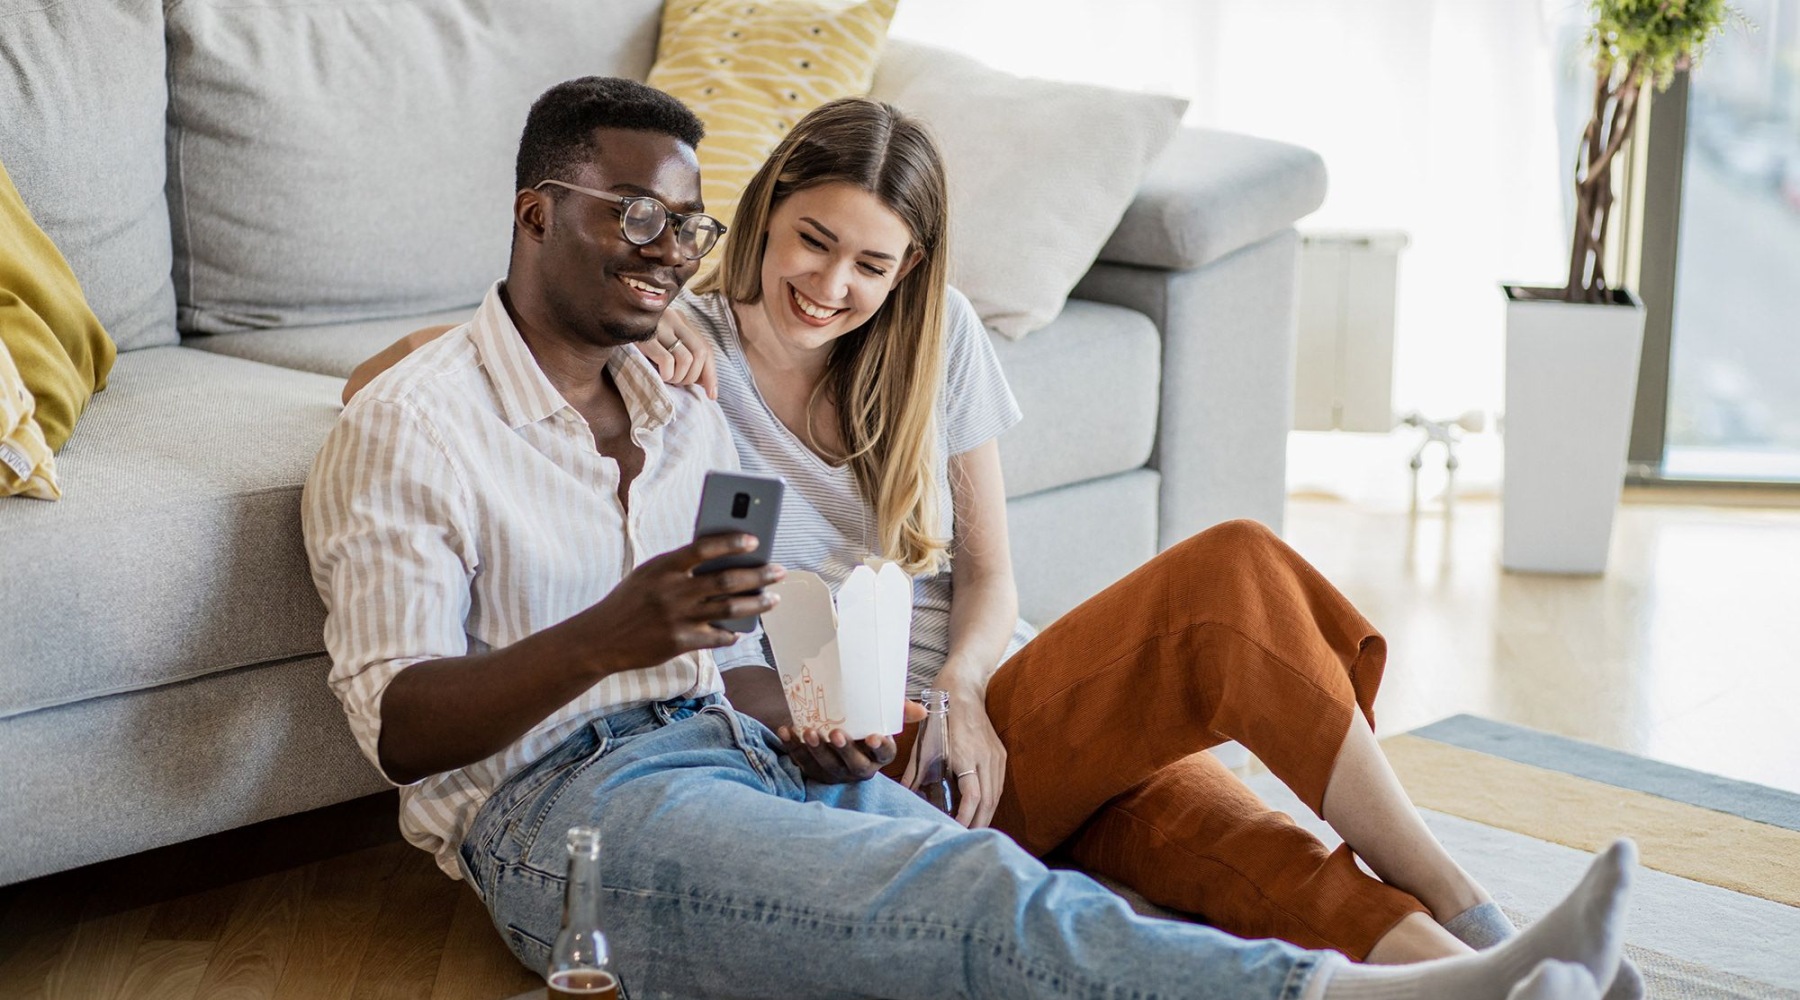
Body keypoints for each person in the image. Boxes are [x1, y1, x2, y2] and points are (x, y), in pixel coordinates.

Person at [307, 75, 1637, 999]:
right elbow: (436, 382)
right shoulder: (672, 358)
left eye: (873, 265)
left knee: (1204, 805)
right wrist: (635, 311)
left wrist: (966, 692)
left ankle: (1484, 959)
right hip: (784, 734)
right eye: (811, 243)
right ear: (764, 221)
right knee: (1136, 750)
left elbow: (980, 579)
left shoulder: (888, 350)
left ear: (909, 275)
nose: (832, 285)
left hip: (955, 708)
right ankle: (1457, 955)